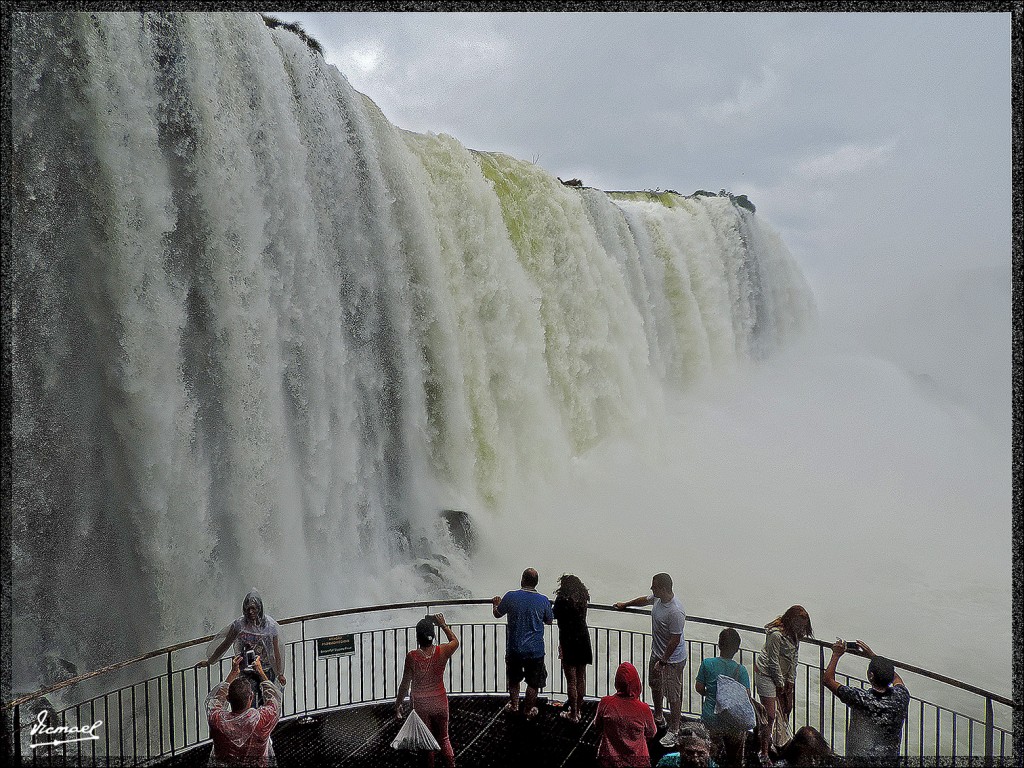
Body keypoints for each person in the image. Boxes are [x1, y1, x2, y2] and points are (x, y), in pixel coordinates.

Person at [614, 572, 687, 746]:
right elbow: (644, 600)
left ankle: (675, 729)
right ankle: (659, 716)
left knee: (673, 695)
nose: (651, 589)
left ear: (663, 588)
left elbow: (675, 639)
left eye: (654, 586)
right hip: (658, 653)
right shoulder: (658, 599)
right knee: (655, 684)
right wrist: (626, 604)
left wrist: (663, 661)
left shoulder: (676, 611)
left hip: (672, 660)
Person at [821, 638, 910, 764]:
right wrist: (874, 657)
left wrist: (836, 654)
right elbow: (897, 679)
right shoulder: (901, 697)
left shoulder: (860, 698)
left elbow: (827, 680)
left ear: (870, 675)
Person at [198, 590, 287, 705]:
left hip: (265, 670)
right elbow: (225, 644)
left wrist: (280, 673)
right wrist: (210, 661)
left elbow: (276, 652)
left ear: (260, 608)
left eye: (253, 608)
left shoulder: (270, 626)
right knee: (248, 703)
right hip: (246, 670)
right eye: (247, 609)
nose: (250, 612)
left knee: (267, 702)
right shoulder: (239, 625)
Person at [395, 613, 459, 768]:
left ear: (418, 638)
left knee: (427, 742)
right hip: (440, 701)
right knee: (444, 738)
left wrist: (398, 704)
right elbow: (455, 641)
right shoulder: (442, 651)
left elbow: (405, 683)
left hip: (421, 705)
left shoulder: (412, 656)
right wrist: (443, 624)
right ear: (433, 635)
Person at [492, 567, 554, 719]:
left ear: (522, 580)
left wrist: (495, 604)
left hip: (514, 648)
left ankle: (514, 705)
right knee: (533, 682)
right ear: (536, 583)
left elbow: (497, 614)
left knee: (514, 678)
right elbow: (549, 620)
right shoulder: (543, 600)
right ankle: (528, 709)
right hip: (535, 650)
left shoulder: (511, 597)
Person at [753, 606, 812, 756]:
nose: (801, 628)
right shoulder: (776, 635)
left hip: (782, 675)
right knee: (770, 715)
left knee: (787, 708)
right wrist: (780, 685)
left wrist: (790, 683)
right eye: (799, 624)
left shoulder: (795, 636)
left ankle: (778, 740)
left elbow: (794, 659)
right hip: (765, 673)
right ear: (791, 620)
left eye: (803, 625)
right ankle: (764, 750)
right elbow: (773, 661)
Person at [205, 654, 280, 766]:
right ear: (252, 697)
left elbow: (216, 700)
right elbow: (273, 698)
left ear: (228, 698)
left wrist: (233, 672)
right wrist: (260, 671)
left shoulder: (217, 721)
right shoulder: (262, 720)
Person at [695, 627, 750, 767]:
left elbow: (699, 688)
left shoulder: (707, 663)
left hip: (711, 718)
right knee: (734, 757)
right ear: (737, 649)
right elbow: (747, 695)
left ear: (719, 645)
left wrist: (710, 695)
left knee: (710, 754)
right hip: (733, 721)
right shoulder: (741, 670)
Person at [594, 662, 656, 767]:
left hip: (609, 760)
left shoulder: (605, 703)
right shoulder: (643, 709)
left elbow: (598, 725)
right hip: (637, 761)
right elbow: (651, 732)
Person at [552, 573, 593, 723]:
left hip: (568, 640)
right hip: (583, 638)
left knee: (571, 680)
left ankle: (573, 714)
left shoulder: (562, 600)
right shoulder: (583, 599)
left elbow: (553, 616)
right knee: (581, 677)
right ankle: (579, 710)